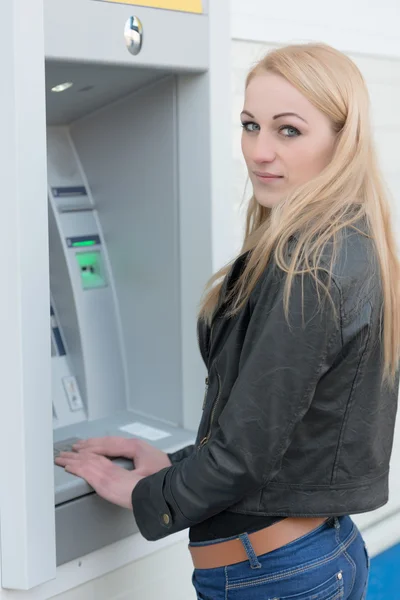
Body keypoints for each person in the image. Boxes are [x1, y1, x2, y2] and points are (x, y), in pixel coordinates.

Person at [55, 42, 400, 600]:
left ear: (342, 140)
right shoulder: (351, 244)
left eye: (288, 130)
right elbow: (277, 433)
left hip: (273, 576)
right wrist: (170, 463)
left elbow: (243, 456)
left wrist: (144, 493)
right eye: (250, 125)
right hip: (310, 555)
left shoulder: (306, 267)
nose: (259, 151)